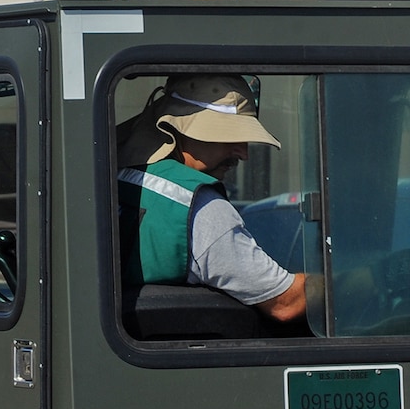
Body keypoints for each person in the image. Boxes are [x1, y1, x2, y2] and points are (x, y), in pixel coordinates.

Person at [116, 74, 306, 324]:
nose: (243, 152)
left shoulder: (110, 175)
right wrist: (350, 278)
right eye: (229, 136)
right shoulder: (200, 207)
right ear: (179, 128)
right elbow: (286, 302)